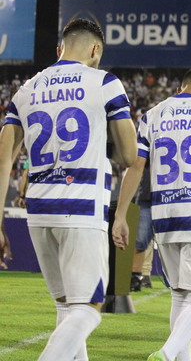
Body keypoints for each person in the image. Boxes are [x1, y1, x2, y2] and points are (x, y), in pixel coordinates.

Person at [0, 18, 137, 360]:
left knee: (67, 306)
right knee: (89, 307)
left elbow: (3, 162)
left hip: (38, 211)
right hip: (81, 204)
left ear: (59, 48)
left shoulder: (25, 90)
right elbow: (130, 155)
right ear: (95, 49)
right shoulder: (104, 82)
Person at [112, 67, 191, 361]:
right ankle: (167, 353)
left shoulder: (153, 115)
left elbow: (135, 167)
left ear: (181, 87)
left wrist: (121, 215)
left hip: (164, 215)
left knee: (180, 296)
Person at [130, 163, 154, 292]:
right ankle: (136, 277)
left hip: (172, 197)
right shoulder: (146, 143)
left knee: (172, 239)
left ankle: (176, 277)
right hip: (146, 196)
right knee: (140, 240)